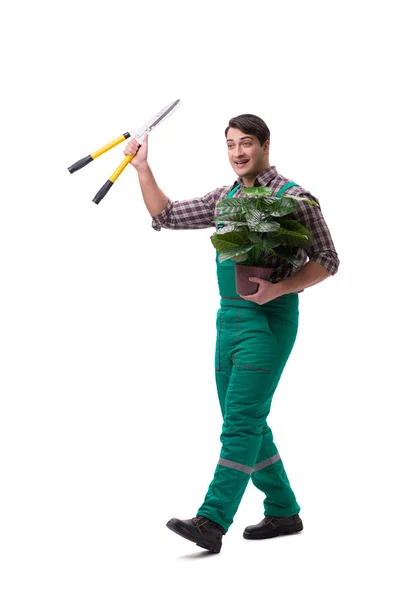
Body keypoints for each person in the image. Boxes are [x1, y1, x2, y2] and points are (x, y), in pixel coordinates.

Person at [124, 114, 340, 554]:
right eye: (230, 144)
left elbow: (329, 259)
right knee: (246, 419)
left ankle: (212, 520)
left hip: (269, 320)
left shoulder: (294, 198)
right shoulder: (224, 198)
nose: (238, 152)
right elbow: (165, 214)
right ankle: (283, 509)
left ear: (265, 145)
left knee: (240, 421)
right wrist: (143, 167)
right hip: (228, 320)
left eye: (246, 143)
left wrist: (280, 287)